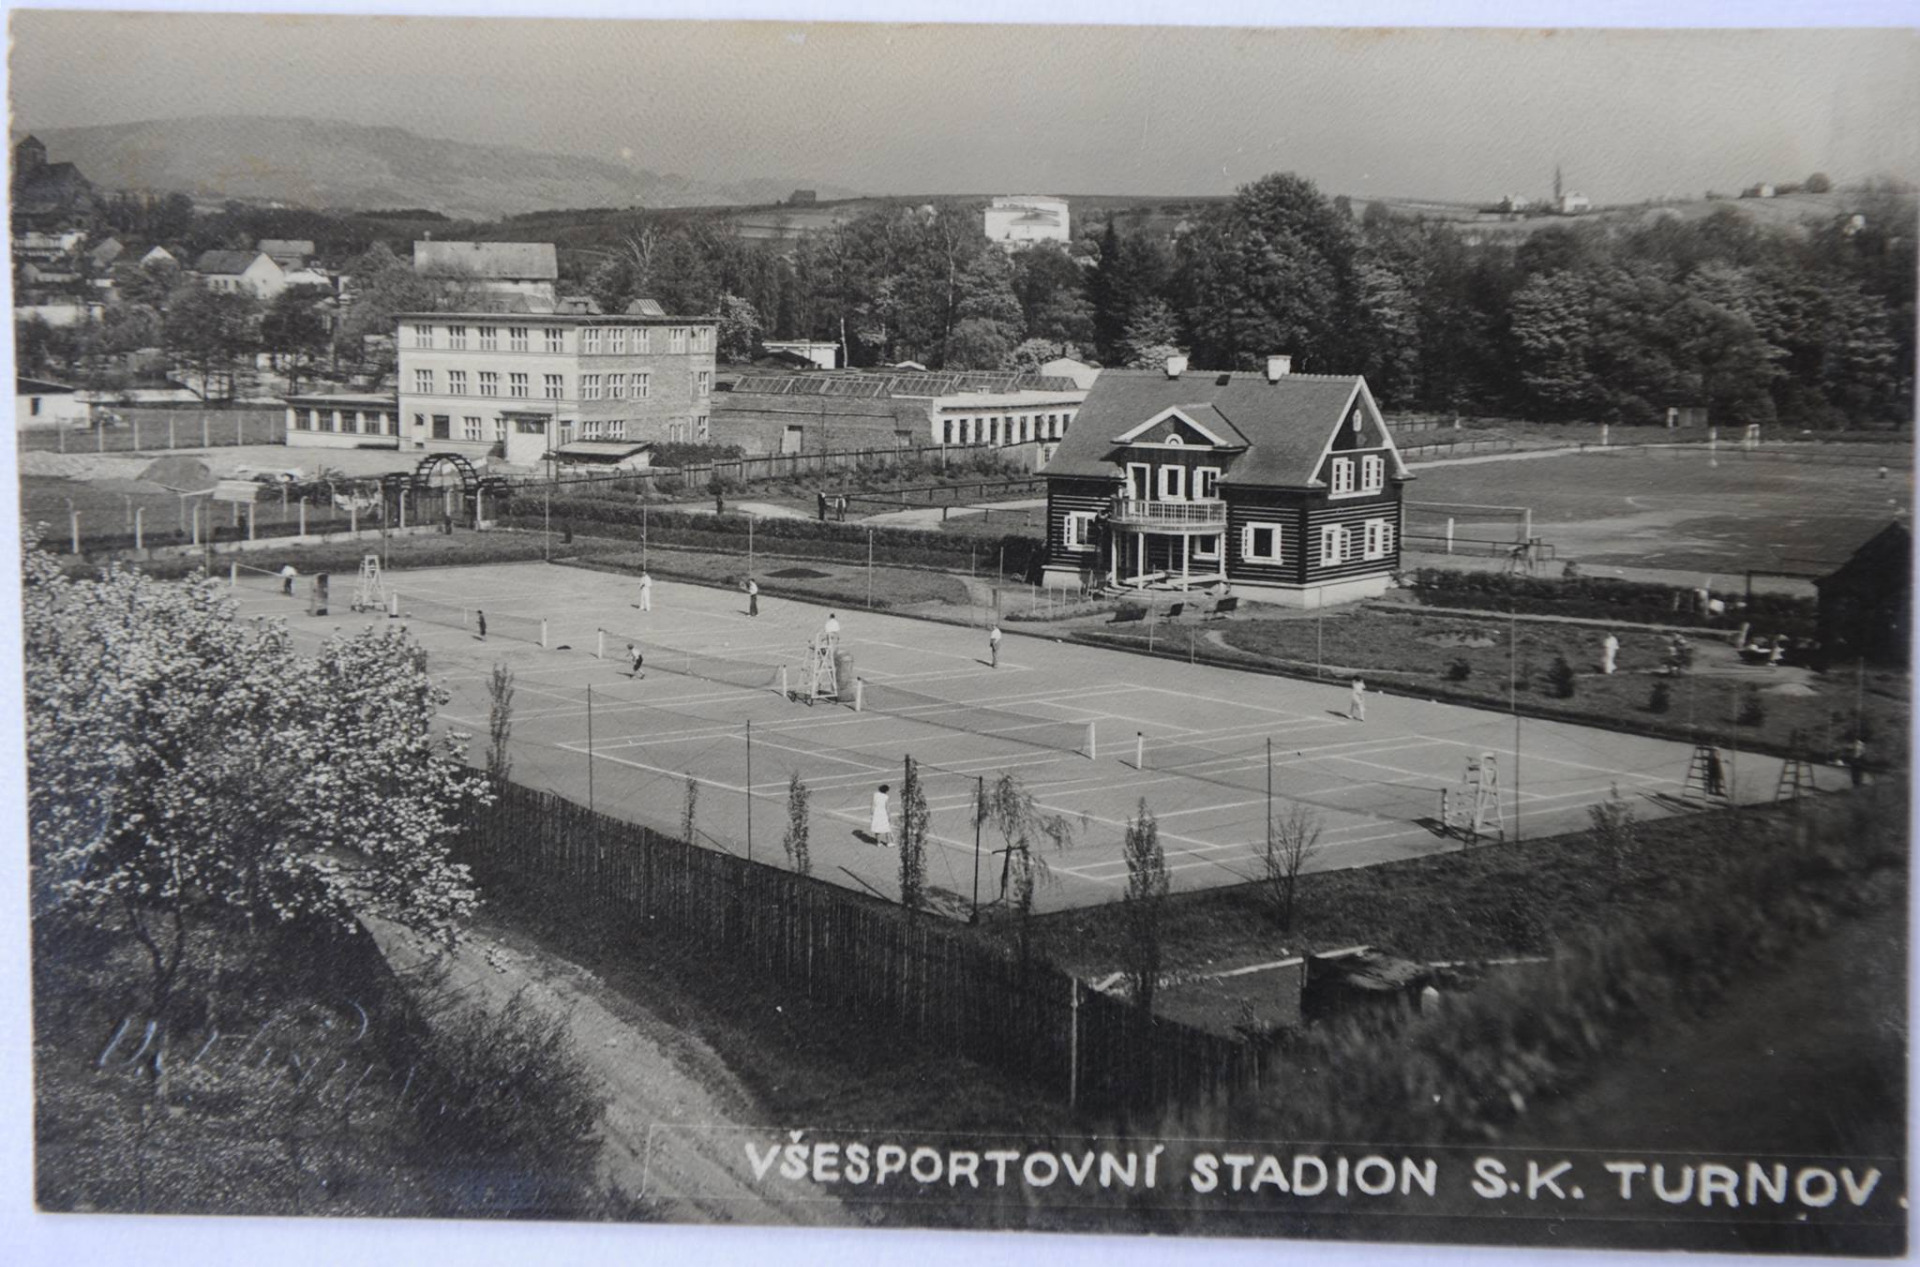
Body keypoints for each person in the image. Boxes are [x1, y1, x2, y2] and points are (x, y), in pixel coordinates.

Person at [870, 783, 894, 848]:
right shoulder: (886, 797)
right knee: (887, 828)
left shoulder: (875, 795)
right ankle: (889, 842)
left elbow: (872, 805)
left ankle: (878, 843)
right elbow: (887, 807)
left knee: (877, 828)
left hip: (876, 813)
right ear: (886, 791)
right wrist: (889, 816)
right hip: (883, 813)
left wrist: (871, 813)